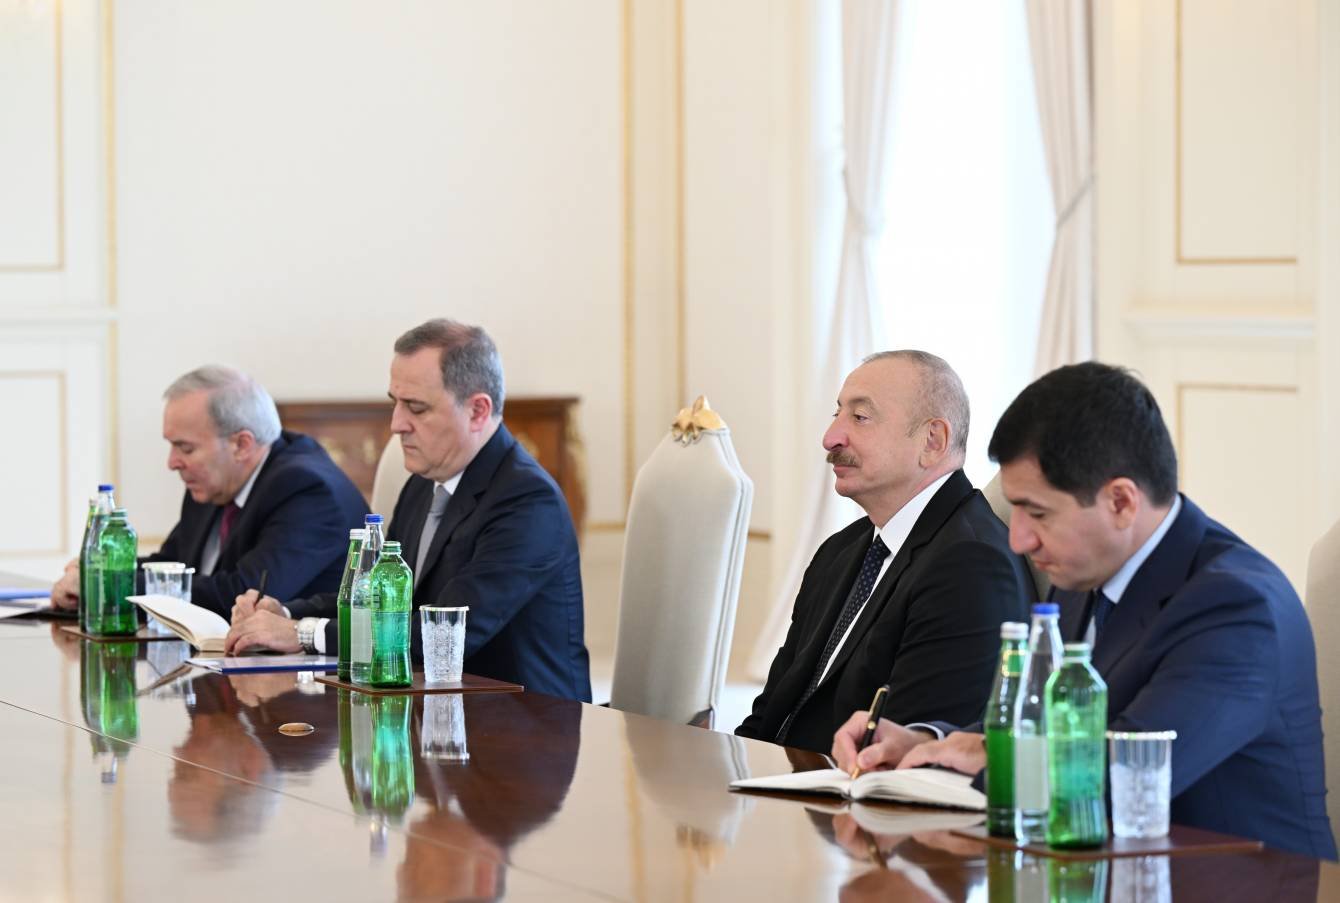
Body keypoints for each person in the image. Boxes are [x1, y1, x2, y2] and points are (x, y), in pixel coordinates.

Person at [832, 361, 1337, 860]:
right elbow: (1031, 729)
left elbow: (1111, 781)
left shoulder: (1236, 608)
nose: (1019, 538)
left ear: (1121, 502)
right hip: (1101, 872)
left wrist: (975, 759)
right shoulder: (1081, 574)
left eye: (1038, 513)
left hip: (1238, 882)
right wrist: (926, 744)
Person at [225, 319, 592, 702]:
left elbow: (441, 635)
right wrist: (283, 613)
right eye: (395, 403)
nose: (397, 424)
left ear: (478, 411)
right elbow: (382, 593)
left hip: (526, 722)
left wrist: (303, 633)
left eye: (416, 408)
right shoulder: (423, 482)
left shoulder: (527, 501)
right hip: (438, 709)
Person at [736, 351, 1034, 754]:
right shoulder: (840, 550)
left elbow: (901, 752)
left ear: (933, 441)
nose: (831, 438)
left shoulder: (971, 566)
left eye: (860, 417)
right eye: (837, 413)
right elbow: (771, 713)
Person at [50, 365, 368, 618]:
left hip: (299, 674)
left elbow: (241, 595)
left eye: (185, 448)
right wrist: (98, 572)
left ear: (241, 444)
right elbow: (169, 565)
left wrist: (108, 584)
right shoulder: (216, 482)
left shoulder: (307, 490)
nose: (172, 462)